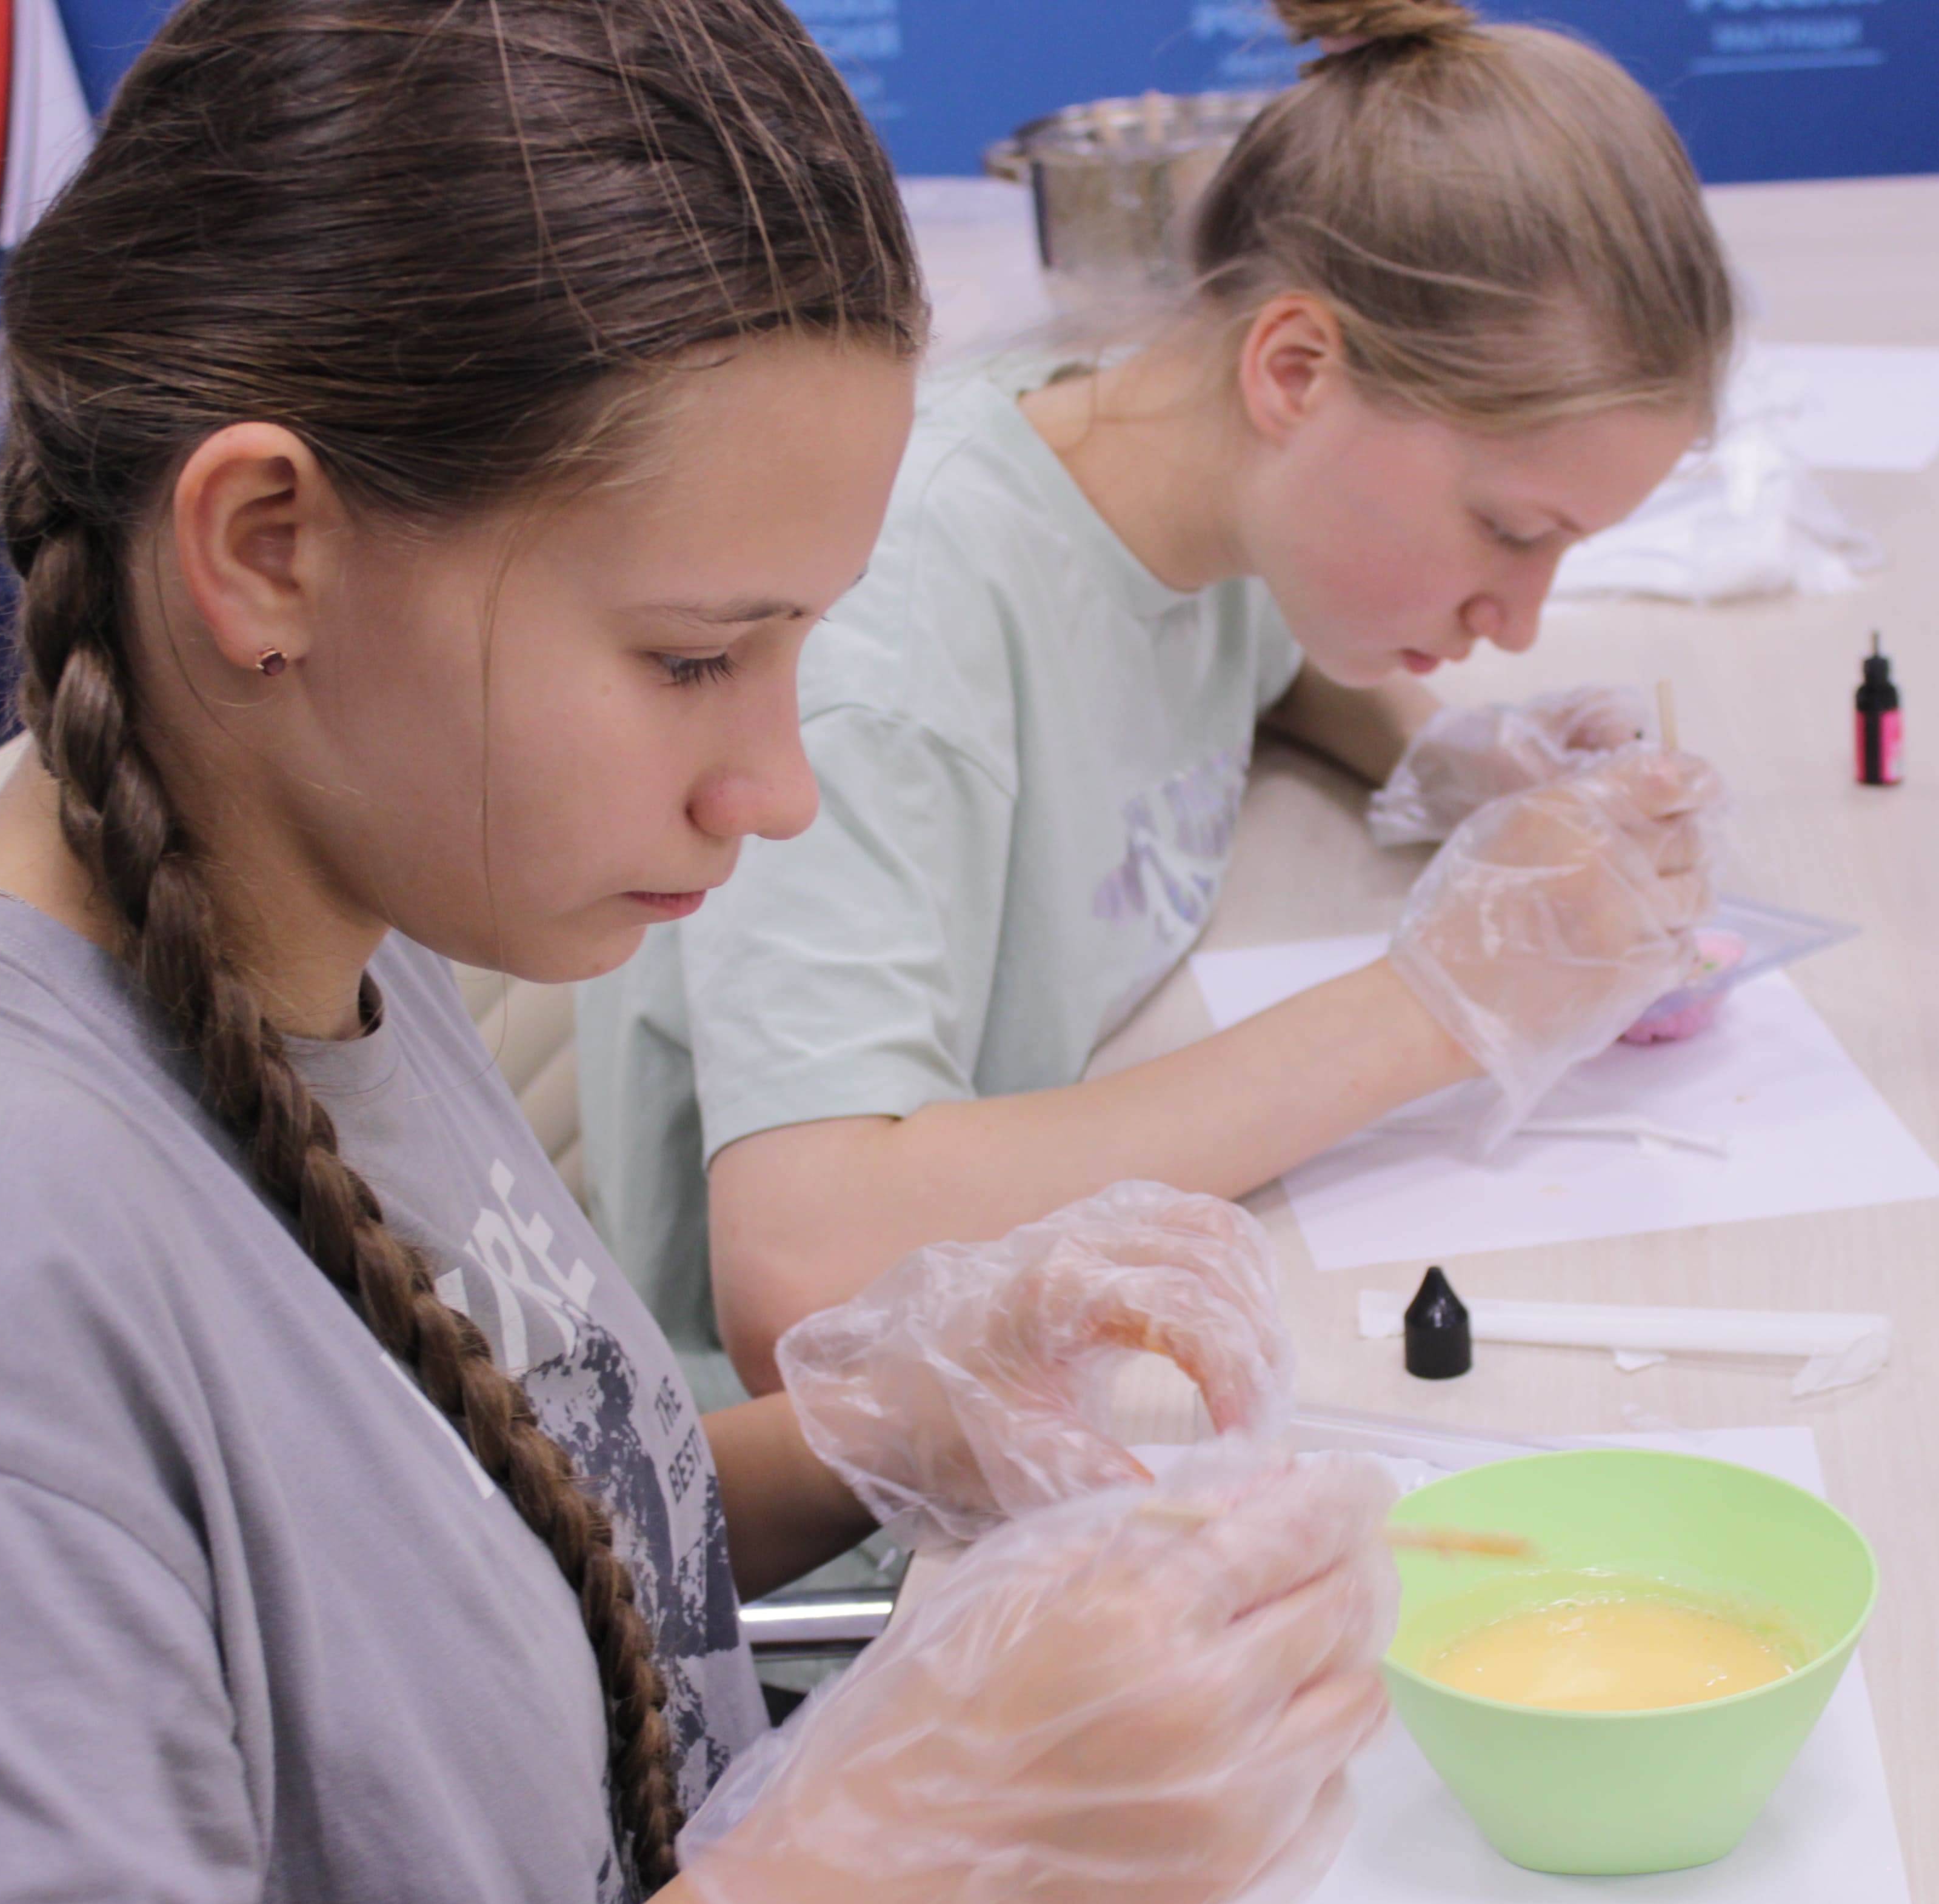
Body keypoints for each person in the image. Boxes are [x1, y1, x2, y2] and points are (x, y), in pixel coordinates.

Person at [0, 5, 1392, 1904]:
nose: (777, 786)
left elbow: (447, 1540)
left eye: (795, 648)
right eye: (693, 658)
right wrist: (897, 1881)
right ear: (269, 547)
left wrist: (880, 1430)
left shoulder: (331, 917)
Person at [581, 0, 1737, 1407]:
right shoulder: (889, 644)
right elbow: (807, 1274)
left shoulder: (1180, 477)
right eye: (1508, 531)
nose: (1520, 622)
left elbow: (1259, 656)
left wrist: (1453, 761)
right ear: (1295, 372)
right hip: (788, 1454)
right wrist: (1441, 1004)